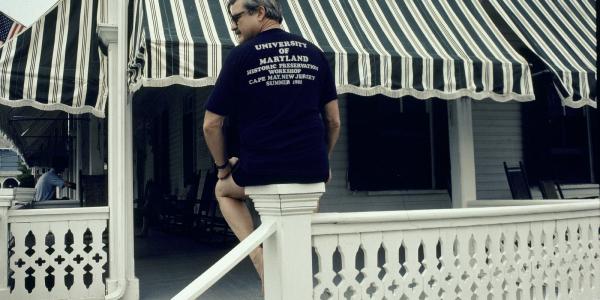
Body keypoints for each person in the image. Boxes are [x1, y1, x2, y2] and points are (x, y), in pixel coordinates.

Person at [202, 0, 341, 288]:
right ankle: (294, 270)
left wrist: (221, 167)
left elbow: (211, 125)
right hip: (309, 171)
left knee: (223, 191)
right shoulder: (315, 53)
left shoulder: (240, 57)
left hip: (261, 169)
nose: (233, 26)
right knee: (302, 214)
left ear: (260, 13)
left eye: (237, 17)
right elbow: (333, 122)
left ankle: (259, 259)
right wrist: (321, 159)